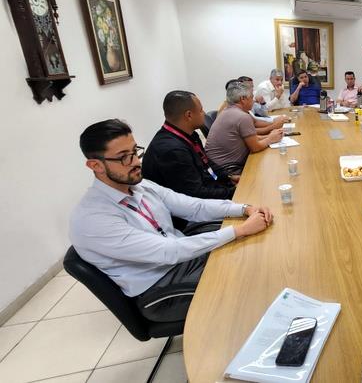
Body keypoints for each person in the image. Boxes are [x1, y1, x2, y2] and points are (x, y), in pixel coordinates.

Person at [70, 119, 273, 322]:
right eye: (124, 157)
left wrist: (244, 208)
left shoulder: (140, 186)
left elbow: (193, 207)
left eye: (135, 152)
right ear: (95, 165)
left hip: (183, 258)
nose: (136, 162)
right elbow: (169, 252)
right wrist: (239, 231)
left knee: (254, 255)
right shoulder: (93, 219)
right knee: (251, 282)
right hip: (162, 290)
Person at [143, 90, 236, 201]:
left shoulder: (189, 134)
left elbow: (206, 163)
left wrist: (228, 177)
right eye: (201, 110)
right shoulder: (172, 151)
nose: (204, 113)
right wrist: (232, 192)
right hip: (192, 205)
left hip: (208, 189)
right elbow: (195, 193)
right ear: (189, 115)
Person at [206, 81, 283, 175]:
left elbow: (248, 138)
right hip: (229, 171)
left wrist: (270, 136)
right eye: (251, 97)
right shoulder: (242, 117)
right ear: (243, 99)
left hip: (217, 168)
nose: (253, 100)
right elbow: (255, 147)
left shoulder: (228, 111)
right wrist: (270, 139)